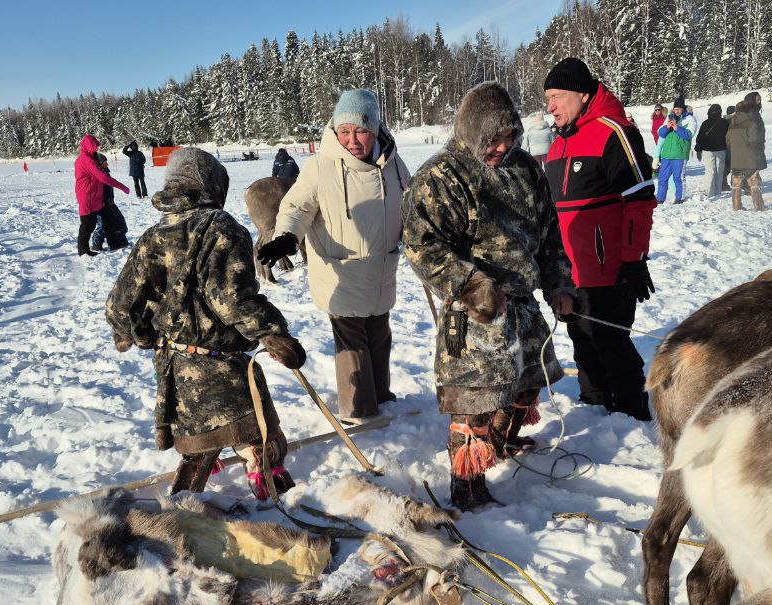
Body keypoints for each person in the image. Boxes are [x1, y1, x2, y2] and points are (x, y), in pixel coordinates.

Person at [402, 81, 574, 511]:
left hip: (522, 303)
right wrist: (470, 283)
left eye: (509, 136)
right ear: (472, 132)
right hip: (475, 311)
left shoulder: (525, 169)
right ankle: (467, 486)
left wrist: (559, 284)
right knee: (476, 401)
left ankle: (500, 445)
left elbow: (549, 233)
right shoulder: (441, 177)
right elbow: (422, 246)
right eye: (493, 139)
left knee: (524, 385)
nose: (502, 147)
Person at [105, 147, 307, 500]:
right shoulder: (221, 228)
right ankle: (275, 496)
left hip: (174, 368)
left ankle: (186, 502)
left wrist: (136, 333)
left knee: (198, 444)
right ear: (213, 185)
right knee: (259, 437)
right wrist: (273, 334)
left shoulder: (154, 235)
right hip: (220, 365)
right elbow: (232, 298)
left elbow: (120, 304)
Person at [259, 88, 408, 425]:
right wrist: (287, 237)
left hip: (382, 271)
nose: (352, 140)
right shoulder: (321, 166)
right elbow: (297, 208)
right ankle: (359, 410)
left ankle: (380, 396)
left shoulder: (395, 164)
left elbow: (408, 205)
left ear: (375, 130)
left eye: (361, 131)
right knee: (353, 344)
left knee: (379, 337)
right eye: (344, 131)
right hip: (341, 274)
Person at [542, 57, 656, 420]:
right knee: (582, 340)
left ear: (582, 94)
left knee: (610, 341)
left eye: (557, 96)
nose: (551, 106)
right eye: (548, 98)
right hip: (571, 271)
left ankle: (631, 411)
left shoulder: (613, 132)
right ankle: (595, 408)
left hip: (609, 269)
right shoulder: (558, 144)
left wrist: (634, 258)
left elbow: (639, 199)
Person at [74, 134, 130, 256]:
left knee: (109, 219)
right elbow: (102, 177)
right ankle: (83, 251)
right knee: (88, 226)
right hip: (88, 198)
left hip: (97, 198)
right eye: (94, 146)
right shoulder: (85, 160)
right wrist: (122, 186)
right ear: (88, 146)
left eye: (97, 146)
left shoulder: (91, 157)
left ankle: (115, 243)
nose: (97, 148)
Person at [727, 92, 767, 211]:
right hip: (750, 158)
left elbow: (728, 141)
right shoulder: (751, 123)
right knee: (754, 183)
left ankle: (736, 206)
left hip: (735, 159)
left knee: (736, 184)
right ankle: (759, 207)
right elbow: (754, 141)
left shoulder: (732, 124)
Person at [656, 97, 694, 204]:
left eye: (679, 109)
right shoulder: (669, 118)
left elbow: (689, 135)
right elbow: (660, 133)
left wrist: (677, 128)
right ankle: (659, 198)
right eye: (675, 108)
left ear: (683, 109)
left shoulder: (689, 119)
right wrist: (667, 127)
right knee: (662, 178)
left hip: (680, 154)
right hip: (667, 154)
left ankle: (679, 198)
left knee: (678, 178)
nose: (676, 111)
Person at [88, 152, 129, 252]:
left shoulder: (105, 173)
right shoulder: (97, 175)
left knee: (119, 222)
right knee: (103, 225)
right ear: (99, 164)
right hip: (101, 205)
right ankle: (96, 244)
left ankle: (119, 242)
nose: (107, 164)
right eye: (104, 162)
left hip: (109, 203)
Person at [694, 103, 729, 198]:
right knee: (719, 171)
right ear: (720, 112)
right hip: (721, 149)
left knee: (710, 171)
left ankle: (710, 192)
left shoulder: (705, 123)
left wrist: (698, 149)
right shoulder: (724, 122)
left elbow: (700, 137)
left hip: (707, 150)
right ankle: (718, 191)